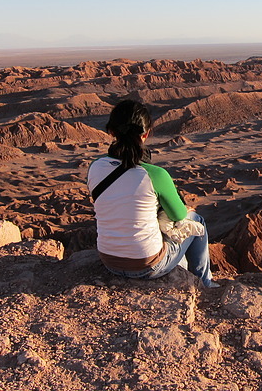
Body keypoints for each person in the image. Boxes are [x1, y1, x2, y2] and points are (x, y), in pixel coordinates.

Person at [86, 99, 218, 287]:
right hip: (147, 266)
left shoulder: (94, 167)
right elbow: (179, 215)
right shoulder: (155, 174)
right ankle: (205, 283)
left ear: (111, 132)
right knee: (196, 220)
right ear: (146, 134)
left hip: (109, 261)